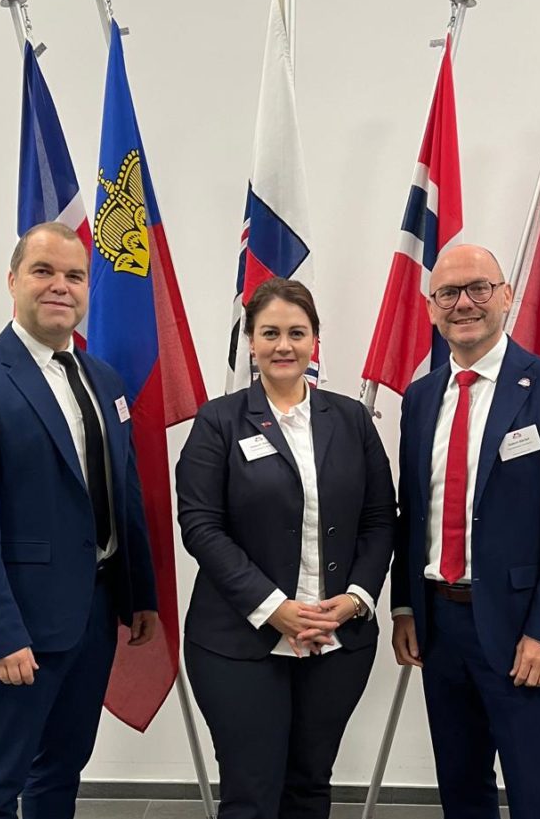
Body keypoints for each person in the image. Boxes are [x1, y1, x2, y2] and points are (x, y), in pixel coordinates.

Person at [0, 222, 158, 819]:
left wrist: (140, 595)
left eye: (74, 276)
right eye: (43, 271)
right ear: (12, 281)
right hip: (19, 623)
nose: (60, 286)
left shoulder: (103, 379)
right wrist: (0, 633)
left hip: (94, 615)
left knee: (60, 772)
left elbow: (124, 493)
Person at [176, 277, 395, 819]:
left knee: (310, 787)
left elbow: (379, 520)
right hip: (237, 643)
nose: (284, 345)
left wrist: (356, 599)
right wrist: (275, 607)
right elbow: (201, 526)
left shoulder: (351, 420)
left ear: (315, 341)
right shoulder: (218, 421)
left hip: (336, 642)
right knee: (251, 794)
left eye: (297, 333)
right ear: (250, 340)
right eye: (270, 332)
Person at [391, 244, 540, 819]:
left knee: (538, 795)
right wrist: (405, 606)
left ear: (506, 296)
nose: (464, 303)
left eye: (479, 288)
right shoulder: (420, 398)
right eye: (448, 293)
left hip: (521, 629)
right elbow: (413, 512)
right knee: (461, 792)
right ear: (431, 308)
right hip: (439, 625)